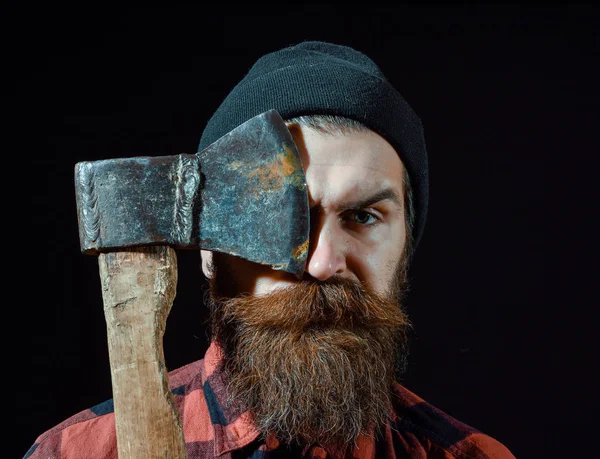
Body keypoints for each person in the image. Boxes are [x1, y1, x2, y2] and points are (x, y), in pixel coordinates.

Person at [24, 41, 515, 458]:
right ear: (208, 247)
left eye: (363, 216)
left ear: (407, 244)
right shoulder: (73, 452)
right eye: (281, 215)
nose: (323, 263)